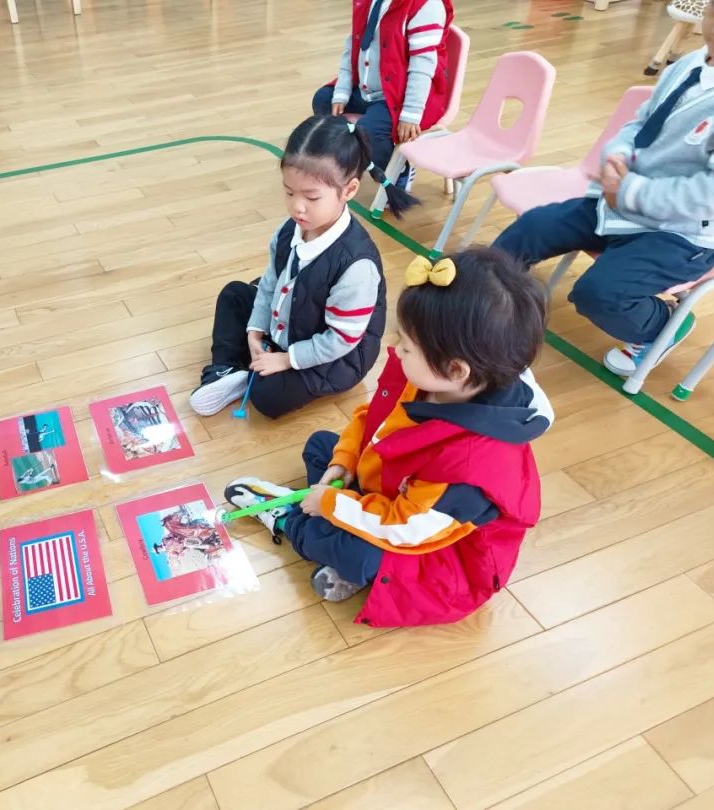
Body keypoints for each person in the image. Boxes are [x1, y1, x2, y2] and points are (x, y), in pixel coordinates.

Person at [223, 249, 554, 627]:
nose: (396, 350)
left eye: (408, 346)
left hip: (435, 554)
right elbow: (374, 418)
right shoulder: (436, 380)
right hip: (399, 487)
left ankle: (289, 520)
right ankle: (335, 518)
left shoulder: (471, 467)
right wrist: (344, 461)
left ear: (455, 370)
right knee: (321, 445)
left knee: (357, 554)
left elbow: (406, 529)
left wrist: (331, 504)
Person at [493, 3, 714, 377]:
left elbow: (708, 196)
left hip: (682, 234)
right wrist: (617, 156)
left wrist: (628, 190)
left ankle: (662, 326)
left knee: (598, 294)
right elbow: (641, 123)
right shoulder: (690, 63)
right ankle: (483, 305)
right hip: (620, 202)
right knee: (530, 229)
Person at [190, 116, 412, 420]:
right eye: (289, 192)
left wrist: (286, 360)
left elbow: (341, 340)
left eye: (311, 197)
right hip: (295, 317)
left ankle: (251, 367)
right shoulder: (290, 228)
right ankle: (227, 369)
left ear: (349, 190)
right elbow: (270, 283)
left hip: (337, 352)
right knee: (234, 295)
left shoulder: (356, 265)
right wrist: (255, 330)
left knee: (267, 397)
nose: (297, 206)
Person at [312, 0, 454, 175]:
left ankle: (398, 175)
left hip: (402, 98)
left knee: (369, 130)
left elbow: (422, 67)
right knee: (322, 99)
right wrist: (342, 91)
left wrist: (411, 113)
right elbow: (353, 46)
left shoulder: (427, 5)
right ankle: (349, 153)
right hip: (368, 90)